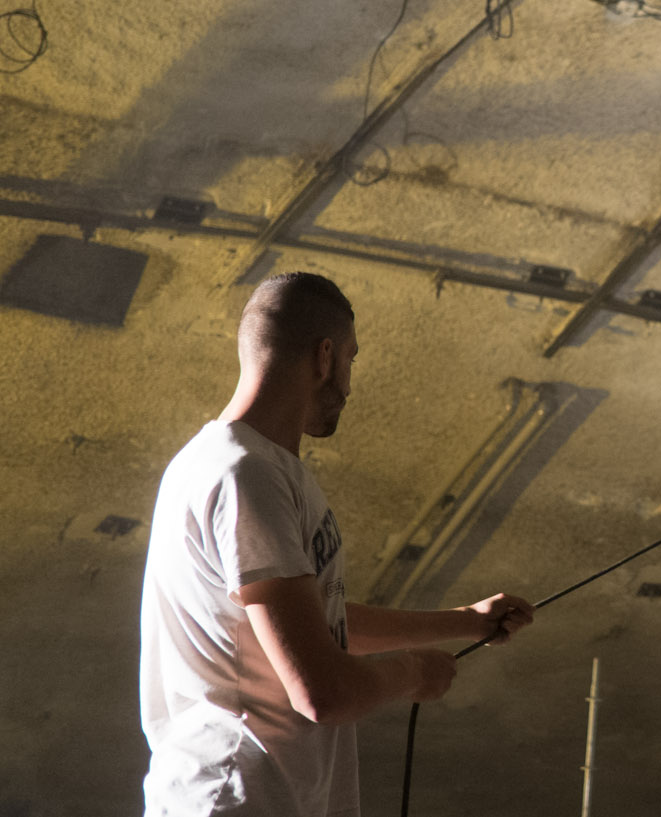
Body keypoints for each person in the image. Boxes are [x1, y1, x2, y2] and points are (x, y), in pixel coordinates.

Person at [139, 272, 535, 817]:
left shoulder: (246, 467)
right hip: (236, 797)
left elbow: (316, 623)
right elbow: (321, 691)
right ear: (325, 357)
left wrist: (468, 620)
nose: (348, 384)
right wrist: (414, 673)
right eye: (351, 359)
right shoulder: (244, 475)